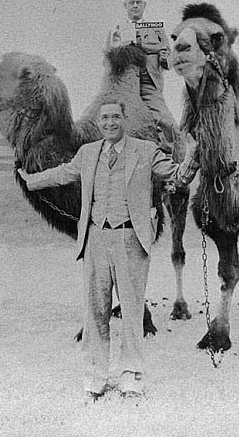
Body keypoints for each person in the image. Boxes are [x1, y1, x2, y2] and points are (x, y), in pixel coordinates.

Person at [17, 100, 199, 402]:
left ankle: (131, 376)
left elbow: (176, 176)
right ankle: (96, 376)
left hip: (132, 240)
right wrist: (30, 180)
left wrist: (195, 157)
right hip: (95, 240)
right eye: (105, 118)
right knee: (96, 311)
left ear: (124, 119)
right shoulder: (87, 153)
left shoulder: (145, 150)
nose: (110, 122)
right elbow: (63, 173)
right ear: (98, 123)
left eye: (116, 116)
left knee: (131, 311)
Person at [105, 0, 177, 148]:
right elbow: (107, 60)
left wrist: (165, 59)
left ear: (144, 5)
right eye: (132, 2)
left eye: (139, 2)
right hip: (124, 84)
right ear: (125, 5)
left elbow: (169, 58)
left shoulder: (156, 28)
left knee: (167, 123)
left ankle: (173, 163)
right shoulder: (117, 29)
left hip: (148, 83)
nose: (135, 6)